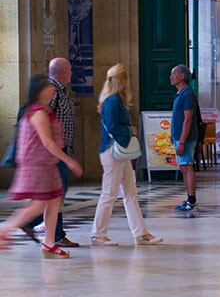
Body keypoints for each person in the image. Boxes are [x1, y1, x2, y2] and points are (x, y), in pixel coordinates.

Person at [0, 74, 82, 256]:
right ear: (39, 91)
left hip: (47, 165)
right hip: (37, 166)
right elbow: (48, 142)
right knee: (37, 206)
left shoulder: (44, 110)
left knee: (54, 202)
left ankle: (49, 243)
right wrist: (69, 160)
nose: (53, 89)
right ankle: (4, 230)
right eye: (48, 86)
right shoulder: (38, 113)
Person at [90, 64, 162, 246]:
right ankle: (98, 234)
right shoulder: (113, 101)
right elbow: (113, 127)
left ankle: (140, 233)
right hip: (113, 151)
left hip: (119, 152)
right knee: (109, 193)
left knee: (130, 192)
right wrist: (130, 130)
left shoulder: (114, 100)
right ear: (123, 81)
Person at [25, 57, 79, 247]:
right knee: (57, 193)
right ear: (64, 72)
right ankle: (53, 234)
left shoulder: (60, 90)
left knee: (56, 194)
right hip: (55, 152)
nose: (71, 73)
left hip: (60, 149)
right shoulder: (52, 90)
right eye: (70, 70)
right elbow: (45, 120)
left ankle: (36, 226)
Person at [170, 64, 199, 212]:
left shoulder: (187, 94)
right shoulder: (181, 93)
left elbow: (188, 120)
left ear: (182, 76)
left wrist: (181, 141)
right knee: (183, 167)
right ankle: (189, 197)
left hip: (186, 138)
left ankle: (192, 200)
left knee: (187, 166)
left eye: (173, 74)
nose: (171, 77)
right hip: (179, 136)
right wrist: (173, 134)